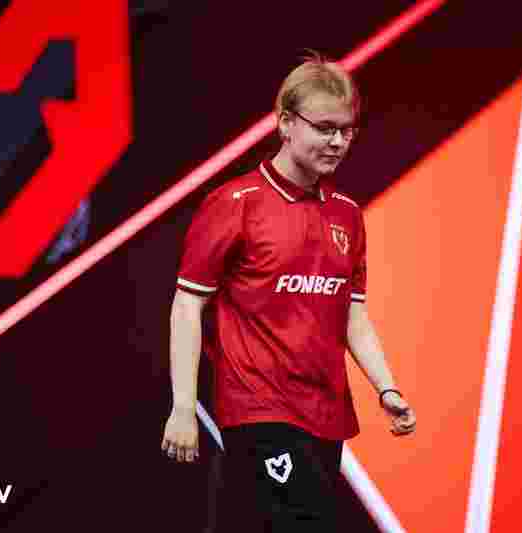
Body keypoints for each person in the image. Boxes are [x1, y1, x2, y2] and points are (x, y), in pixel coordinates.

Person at [161, 51, 416, 532]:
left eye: (347, 130)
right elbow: (188, 304)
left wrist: (387, 387)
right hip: (259, 408)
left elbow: (352, 315)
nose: (337, 141)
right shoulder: (235, 203)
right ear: (285, 123)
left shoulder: (347, 214)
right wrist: (183, 407)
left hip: (326, 412)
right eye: (324, 128)